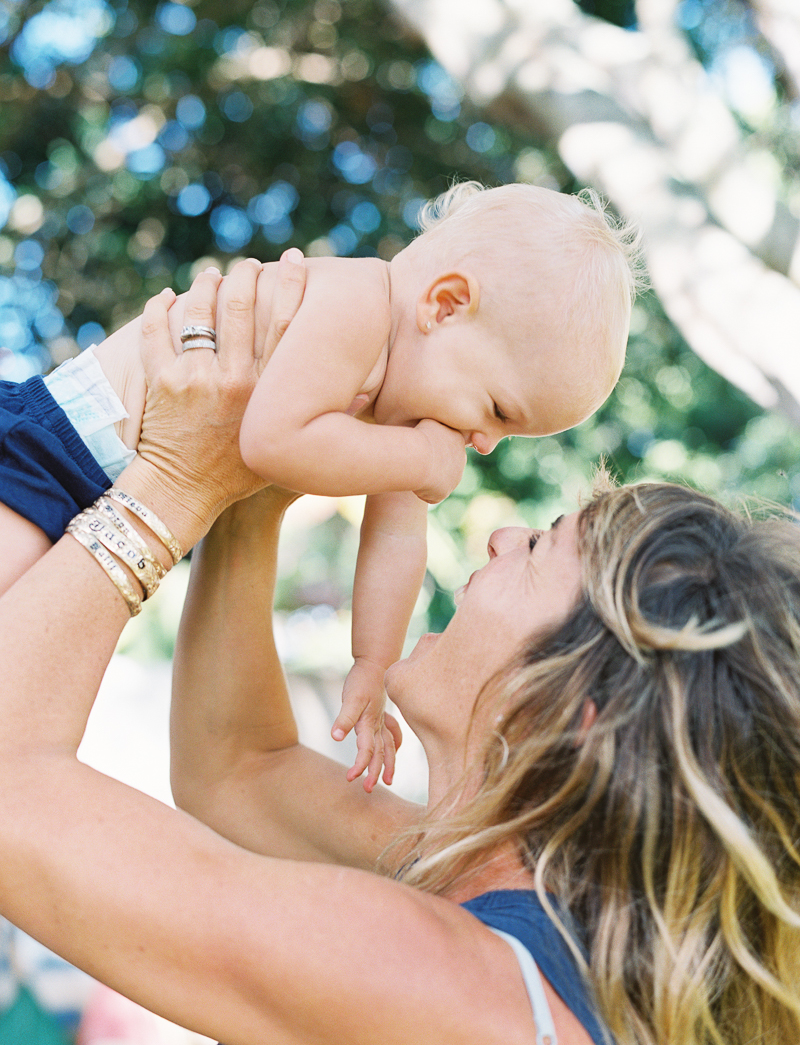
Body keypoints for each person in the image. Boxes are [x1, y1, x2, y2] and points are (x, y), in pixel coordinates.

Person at [0, 258, 798, 1045]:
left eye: (540, 546)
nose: (499, 532)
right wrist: (248, 473)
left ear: (582, 710)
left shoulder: (445, 982)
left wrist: (174, 480)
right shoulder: (503, 902)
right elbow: (236, 768)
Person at [0, 181, 639, 789]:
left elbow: (396, 538)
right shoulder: (355, 303)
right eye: (499, 411)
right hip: (46, 449)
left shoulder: (410, 407)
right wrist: (416, 455)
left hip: (90, 485)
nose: (485, 443)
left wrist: (373, 663)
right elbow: (270, 439)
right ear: (444, 306)